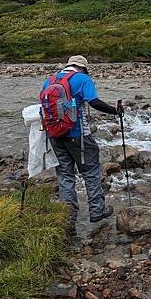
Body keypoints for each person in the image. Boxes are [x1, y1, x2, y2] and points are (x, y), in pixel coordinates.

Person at [41, 55, 121, 228]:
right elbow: (94, 102)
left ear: (69, 66)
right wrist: (115, 111)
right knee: (91, 172)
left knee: (65, 175)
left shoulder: (49, 81)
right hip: (78, 135)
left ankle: (68, 217)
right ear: (83, 68)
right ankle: (96, 211)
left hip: (54, 135)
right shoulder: (83, 79)